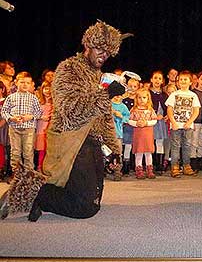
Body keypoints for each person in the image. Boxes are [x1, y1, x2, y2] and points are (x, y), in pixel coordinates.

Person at [0, 20, 129, 221]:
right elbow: (71, 111)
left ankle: (43, 194)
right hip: (70, 140)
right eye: (100, 49)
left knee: (94, 202)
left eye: (108, 52)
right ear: (87, 45)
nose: (104, 55)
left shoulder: (98, 75)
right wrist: (106, 94)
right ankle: (32, 192)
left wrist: (113, 150)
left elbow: (103, 116)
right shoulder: (68, 69)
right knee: (85, 208)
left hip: (91, 141)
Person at [1, 71, 42, 173]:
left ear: (31, 84)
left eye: (28, 83)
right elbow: (4, 111)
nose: (25, 85)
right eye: (22, 82)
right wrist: (11, 118)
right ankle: (17, 175)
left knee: (28, 153)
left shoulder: (33, 98)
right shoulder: (11, 97)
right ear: (16, 82)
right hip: (14, 128)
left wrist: (30, 117)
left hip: (29, 128)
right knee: (15, 153)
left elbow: (39, 112)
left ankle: (28, 176)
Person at [165, 70, 200, 178]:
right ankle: (174, 167)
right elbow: (169, 109)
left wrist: (189, 122)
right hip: (176, 125)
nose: (183, 81)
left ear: (190, 82)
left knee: (187, 146)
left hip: (188, 126)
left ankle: (186, 166)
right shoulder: (174, 94)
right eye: (181, 80)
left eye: (185, 79)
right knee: (175, 146)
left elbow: (196, 111)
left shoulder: (193, 95)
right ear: (177, 82)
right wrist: (173, 122)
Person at [129, 88, 157, 179]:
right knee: (139, 152)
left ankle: (149, 170)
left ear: (148, 99)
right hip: (138, 135)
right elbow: (129, 120)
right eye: (139, 97)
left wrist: (146, 123)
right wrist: (136, 123)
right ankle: (139, 170)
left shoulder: (150, 110)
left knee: (148, 152)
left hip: (148, 134)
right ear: (136, 99)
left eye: (144, 97)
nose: (142, 100)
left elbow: (154, 121)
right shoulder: (134, 110)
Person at [149, 70, 168, 174]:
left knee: (159, 142)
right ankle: (150, 164)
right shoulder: (147, 93)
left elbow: (169, 108)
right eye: (155, 78)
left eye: (159, 78)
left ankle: (160, 165)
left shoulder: (165, 95)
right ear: (151, 80)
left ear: (162, 81)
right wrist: (152, 115)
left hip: (161, 122)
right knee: (150, 142)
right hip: (151, 121)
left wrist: (166, 116)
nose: (157, 80)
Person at [190, 70, 202, 171]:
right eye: (201, 79)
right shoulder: (192, 93)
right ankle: (193, 161)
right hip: (194, 121)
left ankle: (200, 159)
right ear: (197, 79)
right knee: (194, 141)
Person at [121, 77, 140, 175]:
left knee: (136, 146)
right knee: (126, 145)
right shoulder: (124, 99)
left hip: (136, 126)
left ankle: (135, 165)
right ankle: (125, 166)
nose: (132, 88)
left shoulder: (139, 100)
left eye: (135, 86)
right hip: (126, 125)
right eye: (130, 86)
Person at [111, 93, 131, 181]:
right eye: (115, 94)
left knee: (118, 153)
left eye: (119, 95)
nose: (117, 97)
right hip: (107, 133)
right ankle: (104, 169)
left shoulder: (123, 106)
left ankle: (117, 171)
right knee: (106, 152)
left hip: (118, 133)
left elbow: (127, 117)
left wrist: (121, 116)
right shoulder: (108, 105)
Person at [34, 81, 53, 172]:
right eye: (45, 89)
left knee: (50, 150)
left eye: (50, 88)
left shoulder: (55, 104)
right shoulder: (39, 103)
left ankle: (48, 169)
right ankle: (40, 167)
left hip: (51, 130)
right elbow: (34, 115)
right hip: (41, 129)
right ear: (42, 90)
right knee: (42, 150)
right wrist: (42, 117)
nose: (48, 91)